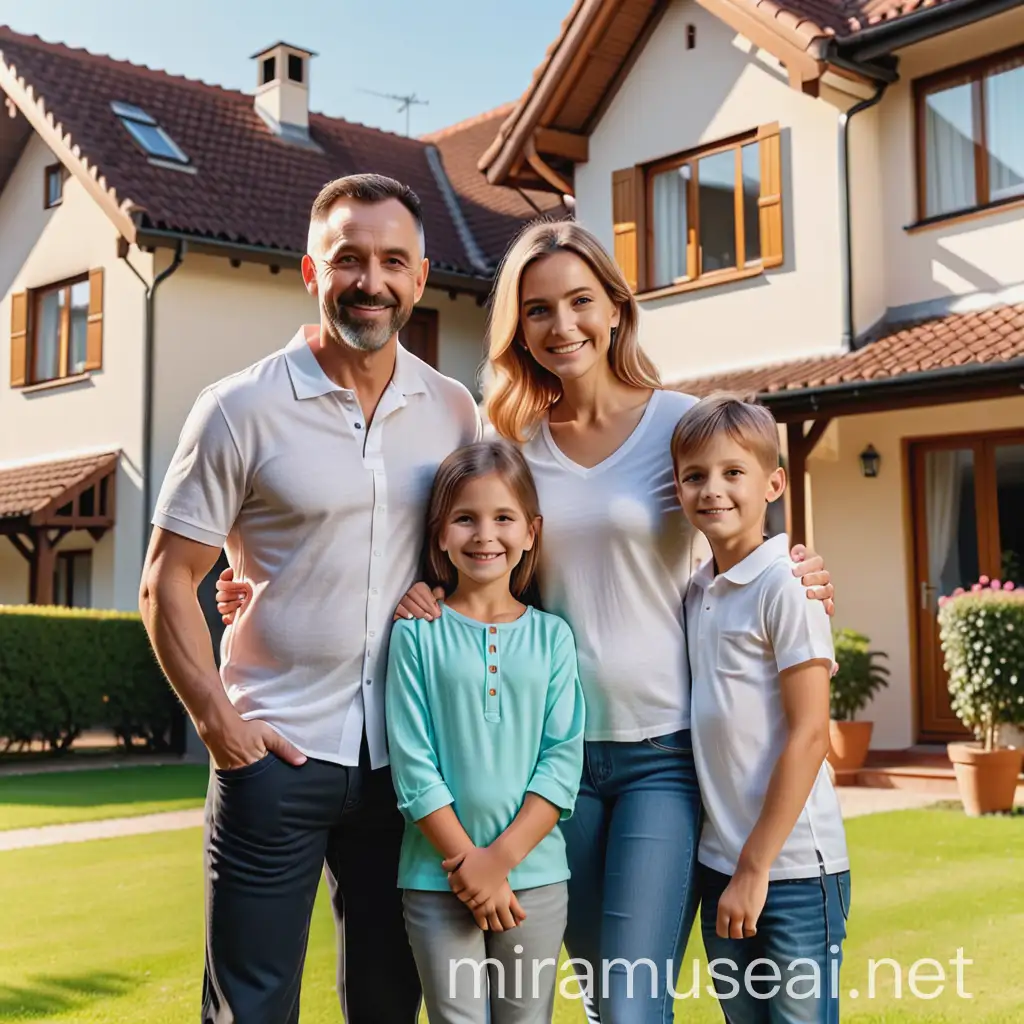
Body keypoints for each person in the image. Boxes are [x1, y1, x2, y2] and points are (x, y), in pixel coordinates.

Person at [216, 220, 835, 1024]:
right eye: (538, 310)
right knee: (558, 994)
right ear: (519, 327)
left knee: (628, 1005)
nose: (562, 325)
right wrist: (311, 588)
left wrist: (800, 569)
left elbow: (742, 524)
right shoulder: (504, 436)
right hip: (547, 767)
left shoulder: (680, 428)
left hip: (662, 754)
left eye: (581, 301)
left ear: (616, 308)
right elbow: (453, 534)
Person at [139, 173, 480, 1024]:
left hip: (407, 763)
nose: (372, 280)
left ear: (421, 274)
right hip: (274, 755)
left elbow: (485, 554)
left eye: (393, 261)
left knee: (388, 1004)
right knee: (249, 1009)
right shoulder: (239, 408)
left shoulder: (454, 410)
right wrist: (221, 727)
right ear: (310, 272)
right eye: (350, 260)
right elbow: (166, 579)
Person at [387, 439, 585, 1024]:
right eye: (465, 519)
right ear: (440, 533)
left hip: (537, 875)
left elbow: (561, 761)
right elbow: (412, 764)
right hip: (434, 874)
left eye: (503, 518)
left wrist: (499, 862)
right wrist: (469, 863)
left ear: (531, 531)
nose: (484, 535)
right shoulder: (415, 633)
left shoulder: (553, 638)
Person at [672, 395, 850, 1024]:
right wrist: (733, 870)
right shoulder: (696, 592)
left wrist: (756, 867)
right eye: (694, 476)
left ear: (774, 483)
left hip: (794, 872)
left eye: (732, 473)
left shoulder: (788, 584)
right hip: (721, 866)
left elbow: (809, 736)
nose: (712, 490)